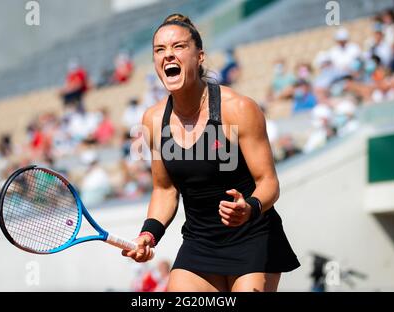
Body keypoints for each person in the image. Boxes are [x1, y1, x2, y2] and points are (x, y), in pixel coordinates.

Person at [122, 13, 300, 292]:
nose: (168, 55)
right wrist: (149, 233)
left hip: (252, 235)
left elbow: (269, 182)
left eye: (178, 46)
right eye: (160, 50)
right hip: (199, 242)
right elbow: (164, 190)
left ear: (199, 56)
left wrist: (249, 208)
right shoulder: (152, 120)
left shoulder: (239, 108)